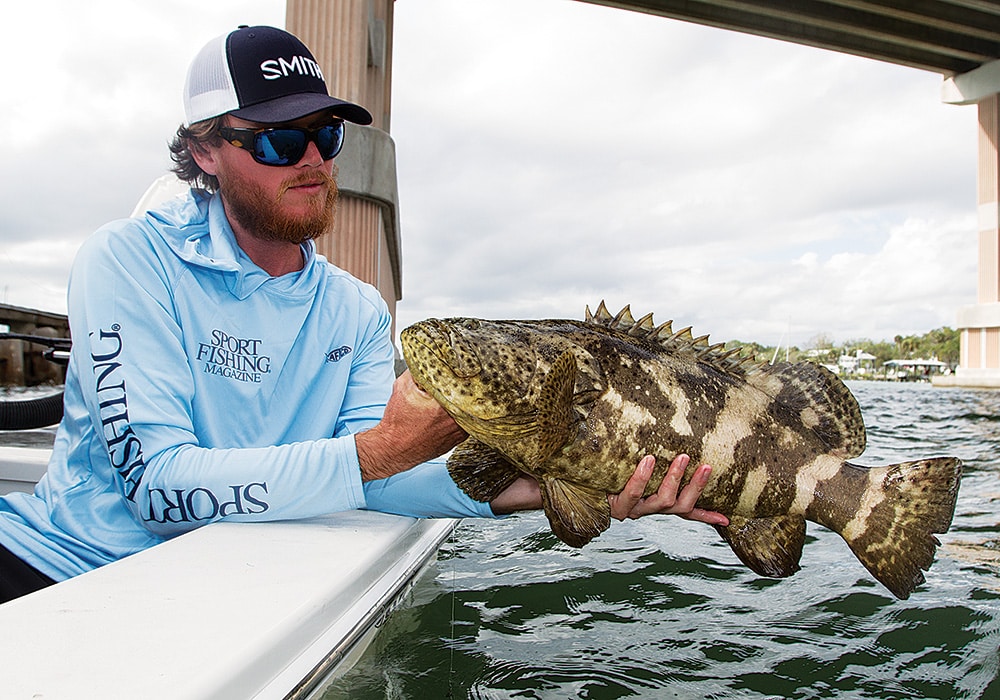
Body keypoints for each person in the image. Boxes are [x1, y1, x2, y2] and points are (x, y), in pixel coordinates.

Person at [0, 26, 726, 605]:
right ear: (204, 151)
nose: (312, 159)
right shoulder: (127, 260)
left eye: (328, 135)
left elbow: (377, 476)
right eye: (280, 140)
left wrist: (544, 487)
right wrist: (378, 449)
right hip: (64, 573)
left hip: (229, 584)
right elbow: (157, 488)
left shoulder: (353, 307)